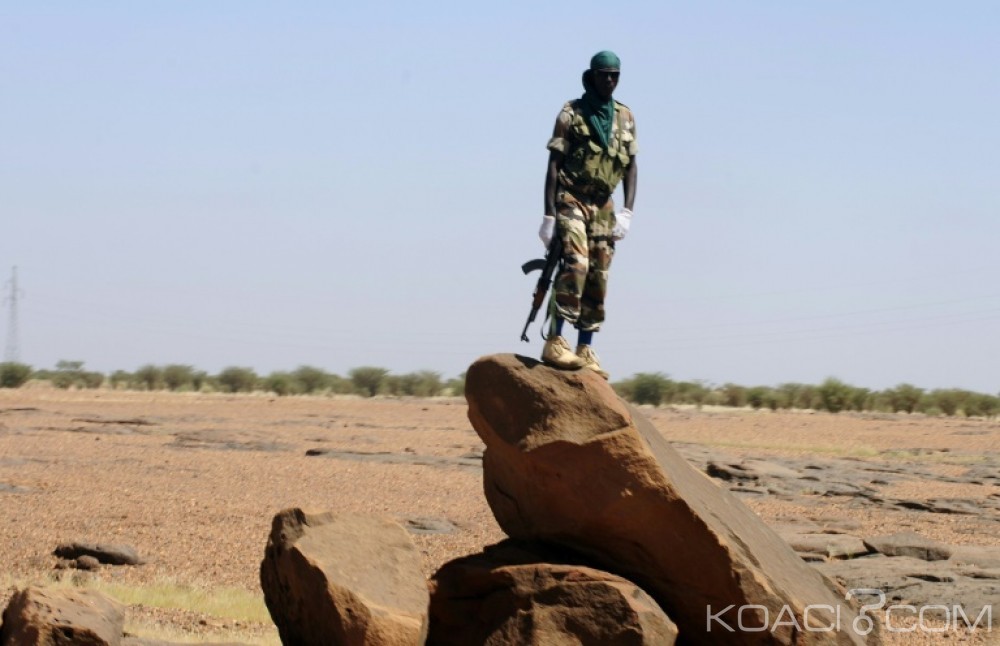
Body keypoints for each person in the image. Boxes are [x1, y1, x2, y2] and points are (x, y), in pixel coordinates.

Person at [537, 50, 638, 380]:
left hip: (604, 205)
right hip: (572, 197)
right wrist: (549, 216)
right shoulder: (572, 113)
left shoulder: (625, 117)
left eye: (615, 76)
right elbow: (553, 165)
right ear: (591, 76)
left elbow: (631, 167)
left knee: (598, 273)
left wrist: (627, 211)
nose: (610, 80)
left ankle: (585, 346)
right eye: (604, 74)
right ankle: (555, 339)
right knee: (576, 266)